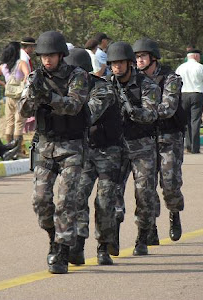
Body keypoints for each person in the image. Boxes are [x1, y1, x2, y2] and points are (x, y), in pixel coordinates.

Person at [18, 31, 89, 274]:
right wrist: (32, 98)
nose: (46, 60)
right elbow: (22, 109)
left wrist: (47, 96)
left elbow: (73, 105)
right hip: (45, 146)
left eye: (51, 55)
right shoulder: (35, 77)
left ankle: (60, 251)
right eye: (43, 56)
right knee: (40, 201)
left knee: (66, 201)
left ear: (61, 55)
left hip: (72, 147)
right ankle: (53, 236)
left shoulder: (77, 76)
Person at [64, 48, 120, 266]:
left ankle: (103, 246)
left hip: (109, 152)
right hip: (85, 151)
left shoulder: (103, 88)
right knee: (77, 197)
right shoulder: (70, 90)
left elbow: (87, 114)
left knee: (104, 201)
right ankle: (78, 244)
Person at [106, 41, 160, 256]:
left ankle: (142, 237)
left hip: (142, 145)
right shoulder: (106, 84)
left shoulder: (148, 86)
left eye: (120, 63)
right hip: (116, 146)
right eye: (113, 63)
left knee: (144, 194)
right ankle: (113, 236)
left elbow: (151, 115)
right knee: (112, 194)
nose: (116, 67)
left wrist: (131, 109)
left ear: (129, 63)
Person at [133, 38, 186, 246]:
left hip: (169, 136)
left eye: (142, 57)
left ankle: (174, 212)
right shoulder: (134, 80)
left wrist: (139, 113)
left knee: (170, 183)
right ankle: (150, 226)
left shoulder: (170, 78)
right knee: (146, 186)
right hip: (145, 138)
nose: (138, 61)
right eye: (136, 57)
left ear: (153, 58)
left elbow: (168, 108)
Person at [0, 42, 30, 156]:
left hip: (8, 96)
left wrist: (4, 84)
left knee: (9, 122)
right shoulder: (21, 63)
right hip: (19, 96)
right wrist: (22, 84)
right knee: (19, 122)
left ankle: (9, 148)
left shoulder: (4, 66)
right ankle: (17, 150)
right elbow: (28, 75)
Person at [176, 49, 203, 153]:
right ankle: (195, 147)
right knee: (195, 121)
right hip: (197, 94)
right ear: (197, 56)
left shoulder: (180, 68)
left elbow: (175, 82)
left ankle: (188, 146)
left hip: (183, 94)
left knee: (186, 121)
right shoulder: (201, 67)